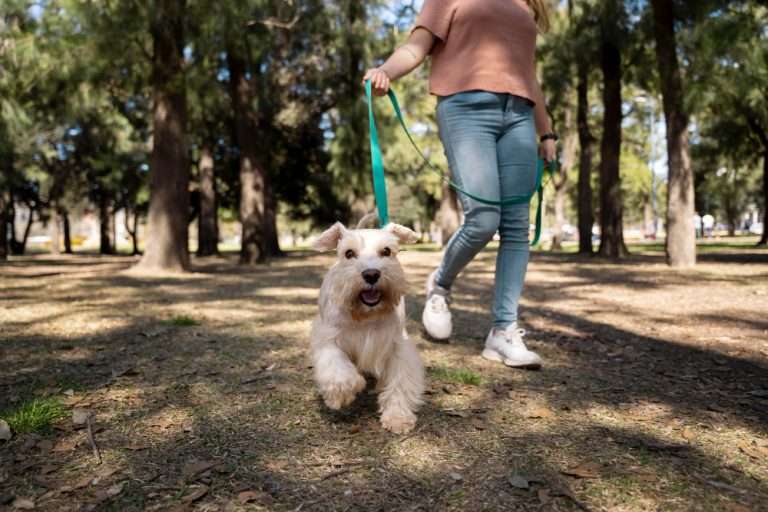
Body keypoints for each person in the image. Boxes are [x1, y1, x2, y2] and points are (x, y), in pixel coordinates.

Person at [362, 0, 556, 370]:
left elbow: (528, 74)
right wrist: (385, 71)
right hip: (466, 108)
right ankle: (440, 284)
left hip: (519, 114)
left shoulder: (525, 6)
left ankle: (503, 331)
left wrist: (546, 131)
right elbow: (416, 46)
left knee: (516, 225)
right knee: (484, 217)